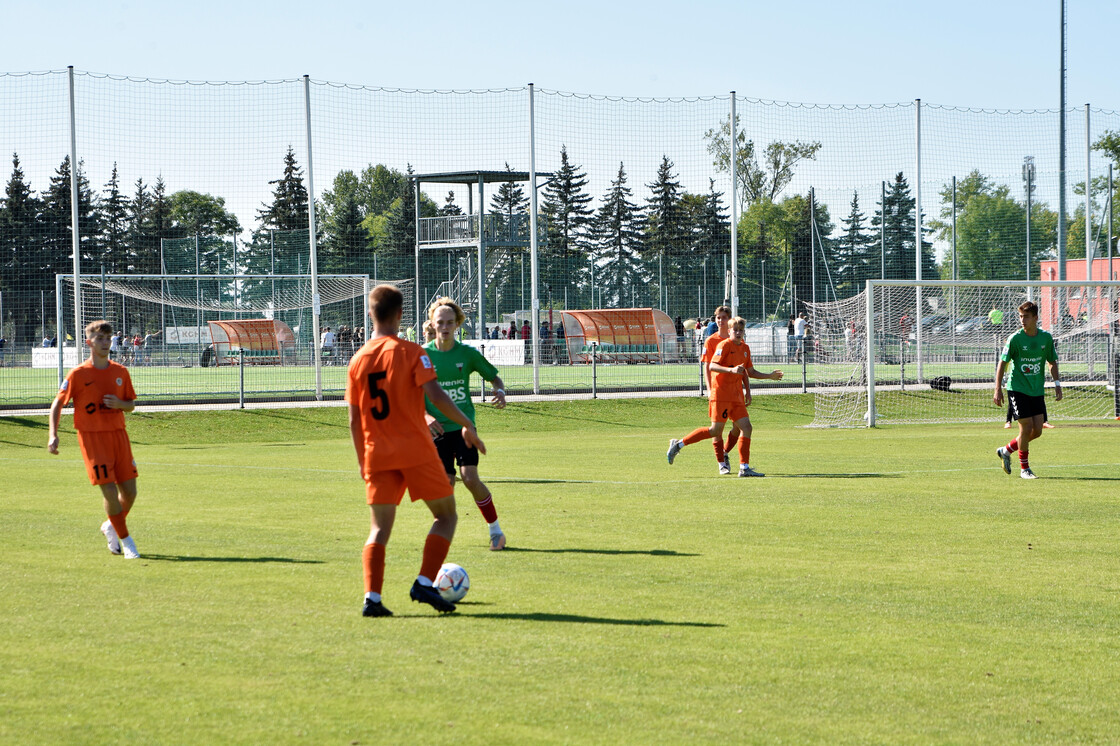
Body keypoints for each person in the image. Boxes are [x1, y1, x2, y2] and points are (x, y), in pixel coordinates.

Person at [347, 285, 486, 618]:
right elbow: (436, 395)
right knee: (446, 515)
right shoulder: (411, 352)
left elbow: (354, 420)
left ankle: (372, 598)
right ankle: (424, 581)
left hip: (376, 453)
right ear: (400, 315)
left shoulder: (357, 360)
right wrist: (468, 423)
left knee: (379, 528)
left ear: (371, 314)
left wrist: (362, 462)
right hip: (414, 449)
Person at [47, 320, 142, 558]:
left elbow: (130, 404)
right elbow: (58, 403)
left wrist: (120, 404)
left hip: (118, 436)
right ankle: (126, 540)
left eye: (108, 338)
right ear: (88, 342)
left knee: (130, 492)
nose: (105, 343)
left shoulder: (120, 371)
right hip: (92, 439)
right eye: (99, 339)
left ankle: (111, 524)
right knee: (109, 490)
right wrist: (53, 434)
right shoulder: (78, 374)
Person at [424, 297, 509, 551]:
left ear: (458, 324)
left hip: (464, 428)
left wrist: (501, 391)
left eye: (451, 322)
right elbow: (412, 393)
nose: (446, 327)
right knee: (445, 483)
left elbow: (495, 379)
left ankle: (495, 530)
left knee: (469, 477)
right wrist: (425, 416)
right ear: (432, 324)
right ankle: (443, 532)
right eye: (441, 322)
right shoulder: (423, 355)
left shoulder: (468, 354)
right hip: (437, 430)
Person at [668, 316, 783, 477]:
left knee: (746, 427)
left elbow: (750, 372)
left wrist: (769, 376)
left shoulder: (745, 348)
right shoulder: (724, 345)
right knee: (715, 431)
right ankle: (678, 444)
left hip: (736, 397)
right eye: (735, 330)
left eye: (741, 330)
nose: (738, 332)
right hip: (721, 395)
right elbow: (713, 365)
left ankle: (744, 468)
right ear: (729, 331)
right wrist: (731, 370)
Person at [994, 301, 1061, 479]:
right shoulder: (1015, 338)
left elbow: (1052, 361)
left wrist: (1057, 384)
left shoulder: (1045, 338)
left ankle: (1006, 450)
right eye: (1021, 316)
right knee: (1026, 428)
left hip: (1036, 390)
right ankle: (1025, 469)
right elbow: (1003, 363)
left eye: (1026, 317)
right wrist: (997, 389)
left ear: (1036, 318)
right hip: (1017, 388)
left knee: (1037, 431)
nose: (1022, 320)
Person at [697, 306, 746, 474]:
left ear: (729, 320)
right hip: (718, 391)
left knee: (739, 427)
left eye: (724, 317)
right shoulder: (711, 340)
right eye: (718, 317)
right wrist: (709, 388)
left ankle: (725, 453)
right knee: (717, 428)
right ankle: (721, 463)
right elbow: (707, 366)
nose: (720, 320)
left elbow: (745, 367)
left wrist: (747, 389)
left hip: (735, 391)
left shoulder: (738, 339)